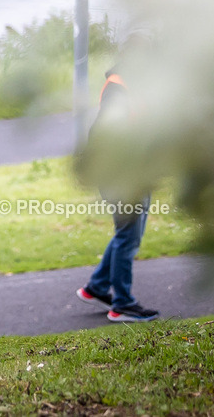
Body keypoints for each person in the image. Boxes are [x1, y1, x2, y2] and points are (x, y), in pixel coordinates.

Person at [75, 35, 159, 322]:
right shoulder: (119, 89)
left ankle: (97, 287)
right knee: (128, 238)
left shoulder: (130, 86)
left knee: (126, 233)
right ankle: (122, 303)